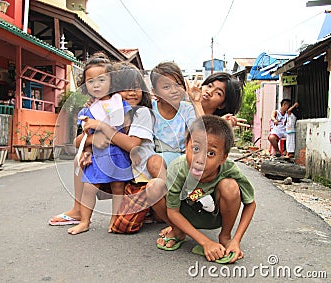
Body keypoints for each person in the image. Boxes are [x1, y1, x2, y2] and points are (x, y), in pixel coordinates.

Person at [156, 115, 256, 263]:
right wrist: (205, 242)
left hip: (214, 218)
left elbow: (250, 204)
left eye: (211, 153)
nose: (200, 159)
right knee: (154, 186)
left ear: (223, 158)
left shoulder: (229, 168)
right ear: (186, 146)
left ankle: (225, 237)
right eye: (196, 148)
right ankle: (177, 231)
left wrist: (236, 240)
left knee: (230, 186)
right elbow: (172, 211)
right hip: (182, 216)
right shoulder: (178, 169)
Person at [66, 54, 134, 235]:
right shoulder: (87, 110)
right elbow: (86, 135)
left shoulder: (122, 103)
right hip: (97, 154)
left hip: (118, 153)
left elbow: (127, 130)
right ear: (85, 85)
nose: (96, 85)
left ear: (112, 82)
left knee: (118, 187)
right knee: (89, 186)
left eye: (101, 80)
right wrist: (87, 151)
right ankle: (85, 221)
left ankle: (114, 220)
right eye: (90, 81)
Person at [148, 61, 197, 167]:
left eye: (178, 84)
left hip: (184, 157)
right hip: (159, 156)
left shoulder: (187, 109)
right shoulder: (150, 108)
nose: (174, 90)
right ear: (155, 92)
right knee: (154, 163)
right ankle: (168, 183)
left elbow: (198, 132)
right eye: (166, 87)